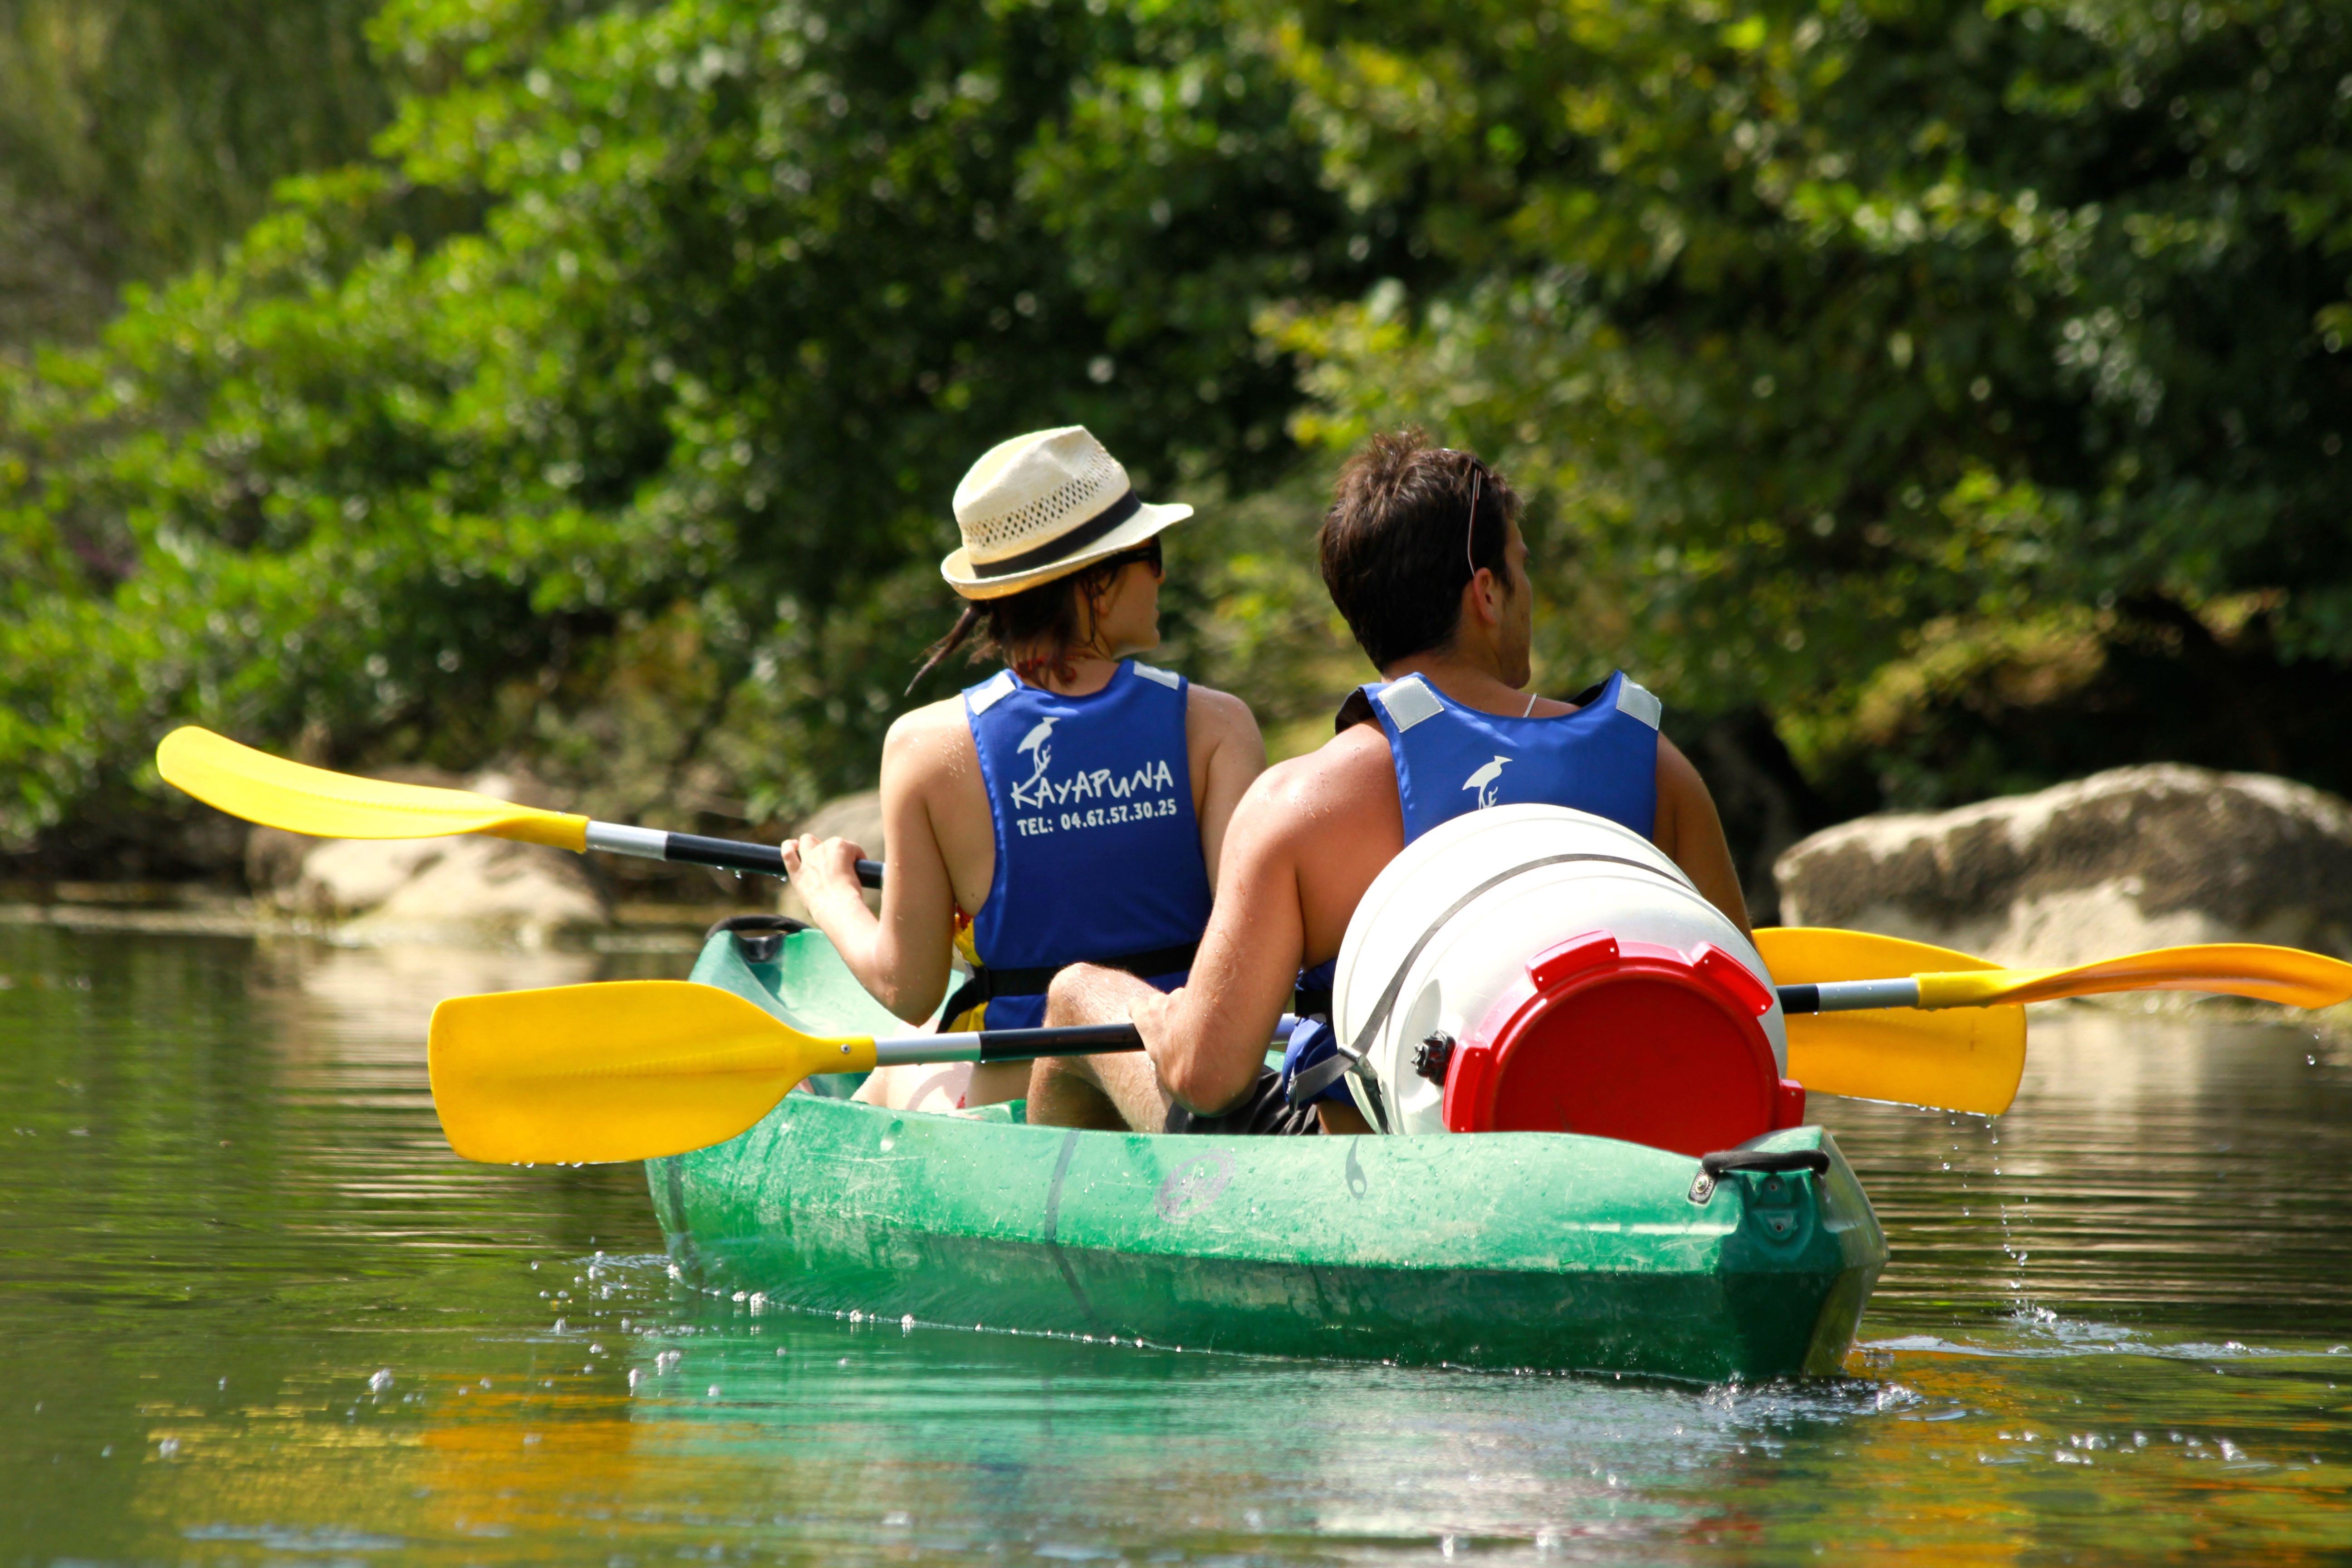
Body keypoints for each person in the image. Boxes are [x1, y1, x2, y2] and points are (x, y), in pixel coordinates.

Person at [1027, 430, 1749, 1136]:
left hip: (1387, 1176)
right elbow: (1749, 1003)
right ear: (1487, 593)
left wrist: (1159, 1016)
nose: (1529, 592)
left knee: (1075, 993)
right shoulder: (1657, 766)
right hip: (1644, 1143)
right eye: (1523, 568)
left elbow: (1208, 1076)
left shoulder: (1296, 806)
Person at [782, 426, 1264, 1113]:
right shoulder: (1219, 726)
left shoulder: (924, 747)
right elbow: (1252, 951)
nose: (1161, 574)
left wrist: (830, 895)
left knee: (900, 1060)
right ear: (1096, 583)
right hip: (1183, 1088)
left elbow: (909, 988)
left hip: (1016, 1102)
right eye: (1150, 555)